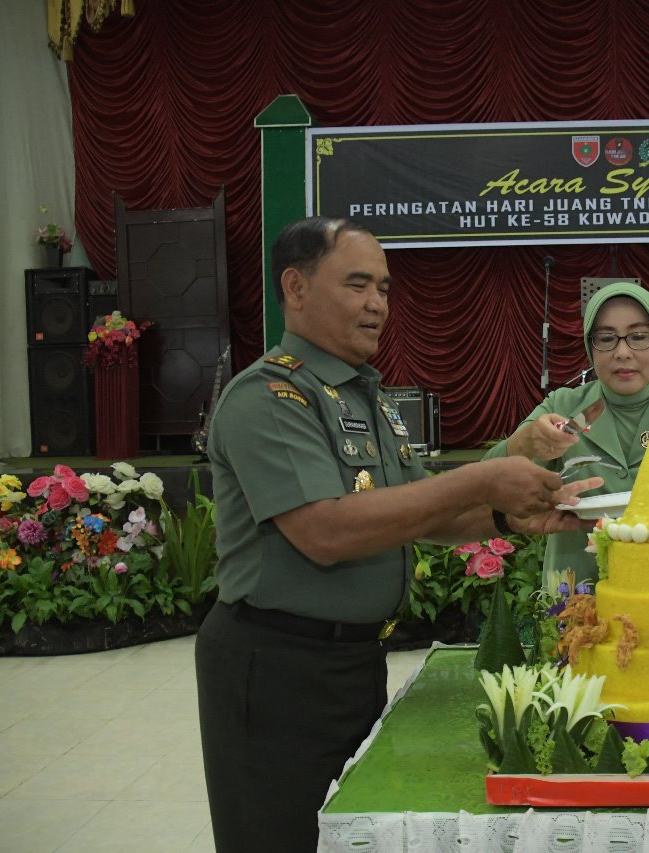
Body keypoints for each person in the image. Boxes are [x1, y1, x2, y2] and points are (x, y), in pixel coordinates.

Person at [195, 217, 600, 853]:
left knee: (347, 830)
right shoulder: (268, 399)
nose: (378, 304)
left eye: (384, 288)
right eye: (358, 285)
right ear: (295, 287)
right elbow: (323, 531)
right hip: (274, 671)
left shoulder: (365, 400)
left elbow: (422, 516)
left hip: (352, 662)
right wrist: (483, 480)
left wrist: (514, 515)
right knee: (278, 836)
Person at [484, 281, 649, 593]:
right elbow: (488, 484)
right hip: (578, 596)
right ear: (590, 347)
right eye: (606, 339)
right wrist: (522, 444)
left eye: (638, 337)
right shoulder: (562, 407)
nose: (622, 352)